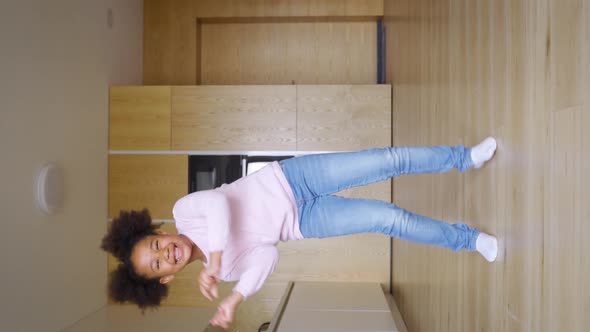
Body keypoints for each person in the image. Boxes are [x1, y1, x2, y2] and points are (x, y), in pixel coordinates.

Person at [101, 137, 499, 329]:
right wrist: (236, 298)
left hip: (292, 179)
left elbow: (220, 205)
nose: (165, 253)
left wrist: (217, 253)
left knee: (385, 160)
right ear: (165, 277)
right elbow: (267, 256)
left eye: (156, 244)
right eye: (157, 264)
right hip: (303, 223)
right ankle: (467, 240)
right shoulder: (219, 275)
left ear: (158, 231)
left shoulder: (184, 213)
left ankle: (464, 158)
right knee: (387, 219)